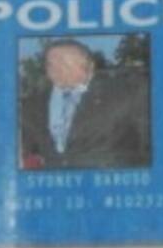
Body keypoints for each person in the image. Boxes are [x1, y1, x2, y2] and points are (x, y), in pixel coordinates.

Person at [19, 38, 150, 170]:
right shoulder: (33, 103)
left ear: (90, 66)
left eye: (64, 62)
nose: (56, 69)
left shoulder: (125, 94)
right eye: (51, 64)